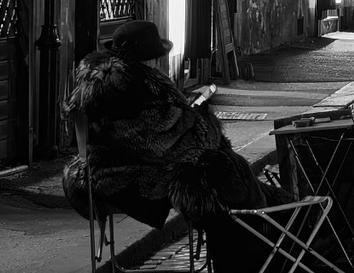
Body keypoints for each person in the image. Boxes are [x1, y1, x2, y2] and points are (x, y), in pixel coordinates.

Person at [62, 19, 255, 230]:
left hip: (103, 165)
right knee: (224, 168)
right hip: (126, 174)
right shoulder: (131, 88)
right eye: (154, 58)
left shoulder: (104, 82)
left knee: (227, 167)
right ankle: (250, 238)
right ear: (147, 59)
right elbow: (161, 143)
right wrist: (200, 117)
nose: (157, 63)